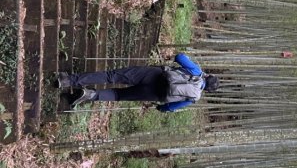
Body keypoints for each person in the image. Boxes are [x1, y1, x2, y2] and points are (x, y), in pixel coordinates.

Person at [57, 53, 219, 111]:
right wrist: (160, 108)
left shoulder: (197, 73)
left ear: (207, 76)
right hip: (154, 94)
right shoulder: (194, 98)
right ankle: (90, 95)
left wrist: (197, 68)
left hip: (154, 75)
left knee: (111, 76)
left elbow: (180, 57)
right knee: (118, 95)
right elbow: (171, 107)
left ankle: (68, 80)